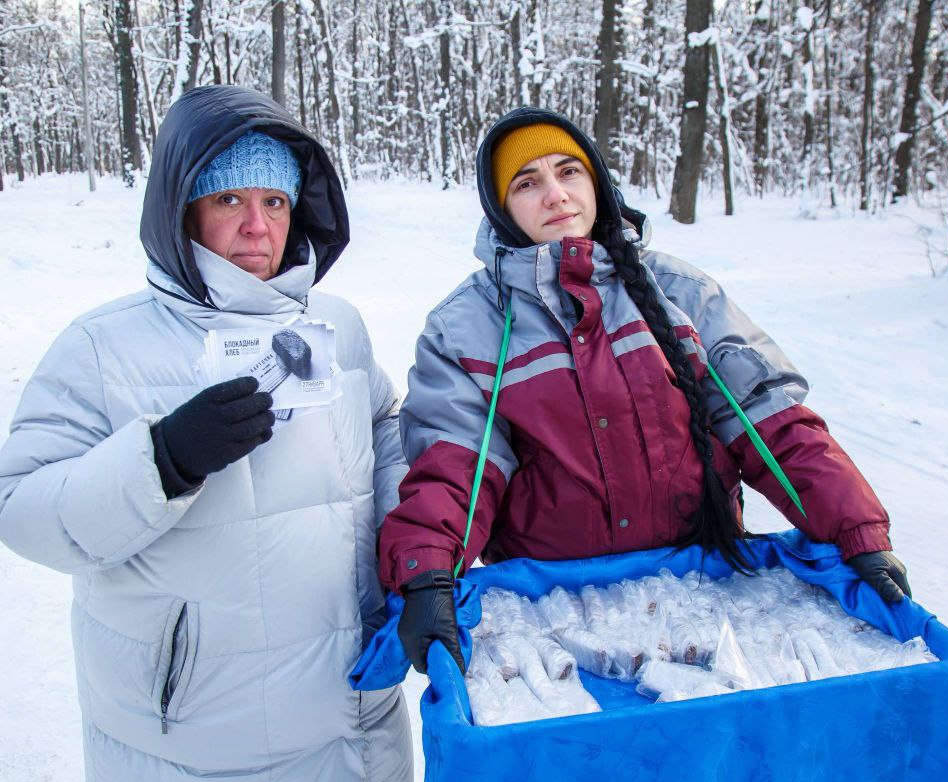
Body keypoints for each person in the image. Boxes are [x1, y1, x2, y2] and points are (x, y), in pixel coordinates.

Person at [0, 86, 411, 782]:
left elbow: (383, 427)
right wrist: (162, 458)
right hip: (194, 754)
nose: (258, 226)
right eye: (230, 199)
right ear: (180, 208)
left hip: (339, 725)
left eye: (276, 201)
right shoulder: (103, 348)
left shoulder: (335, 327)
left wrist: (408, 547)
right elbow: (17, 505)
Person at [378, 108, 911, 673]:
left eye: (569, 172)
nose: (556, 195)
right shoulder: (468, 327)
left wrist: (857, 530)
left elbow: (771, 423)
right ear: (502, 207)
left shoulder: (682, 293)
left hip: (704, 593)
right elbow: (455, 467)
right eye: (528, 183)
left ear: (597, 184)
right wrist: (428, 573)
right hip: (560, 614)